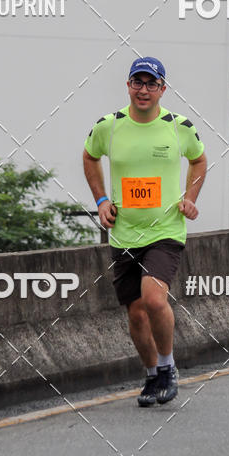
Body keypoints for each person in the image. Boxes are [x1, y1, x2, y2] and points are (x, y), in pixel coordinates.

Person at [82, 57, 207, 407]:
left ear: (162, 89)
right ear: (128, 86)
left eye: (151, 84)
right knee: (136, 312)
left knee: (154, 299)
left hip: (165, 229)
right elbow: (90, 156)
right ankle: (152, 375)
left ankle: (168, 368)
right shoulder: (109, 125)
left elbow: (199, 160)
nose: (143, 89)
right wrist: (102, 199)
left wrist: (190, 198)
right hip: (123, 232)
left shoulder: (178, 126)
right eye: (137, 82)